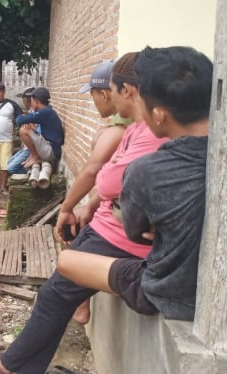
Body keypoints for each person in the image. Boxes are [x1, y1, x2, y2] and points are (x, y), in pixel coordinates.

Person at [0, 51, 169, 374]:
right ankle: (20, 363)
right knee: (56, 291)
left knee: (55, 293)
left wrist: (74, 205)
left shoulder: (148, 133)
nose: (106, 99)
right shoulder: (137, 129)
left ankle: (5, 367)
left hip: (120, 241)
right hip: (104, 228)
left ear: (126, 91)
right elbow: (112, 180)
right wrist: (92, 204)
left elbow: (102, 175)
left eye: (110, 91)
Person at [57, 46, 211, 324]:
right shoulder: (211, 159)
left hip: (162, 287)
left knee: (66, 262)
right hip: (200, 288)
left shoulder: (147, 167)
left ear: (160, 114)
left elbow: (135, 230)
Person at [54, 60, 129, 324]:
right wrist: (90, 204)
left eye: (93, 95)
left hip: (123, 223)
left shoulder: (119, 130)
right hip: (113, 208)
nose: (93, 101)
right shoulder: (121, 127)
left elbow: (91, 170)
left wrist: (66, 208)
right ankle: (81, 305)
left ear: (105, 94)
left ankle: (80, 305)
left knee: (76, 247)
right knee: (78, 235)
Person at [15, 87, 64, 169]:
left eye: (31, 101)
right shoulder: (47, 111)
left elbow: (19, 120)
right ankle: (33, 156)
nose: (31, 103)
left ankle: (35, 157)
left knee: (23, 131)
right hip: (49, 148)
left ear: (36, 101)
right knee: (27, 128)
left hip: (50, 152)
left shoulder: (44, 112)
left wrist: (23, 117)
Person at [6, 87, 36, 175]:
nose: (23, 102)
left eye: (23, 100)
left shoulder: (36, 112)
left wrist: (28, 123)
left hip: (30, 149)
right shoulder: (31, 111)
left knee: (10, 169)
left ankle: (28, 174)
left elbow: (35, 129)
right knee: (8, 163)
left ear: (27, 100)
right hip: (26, 147)